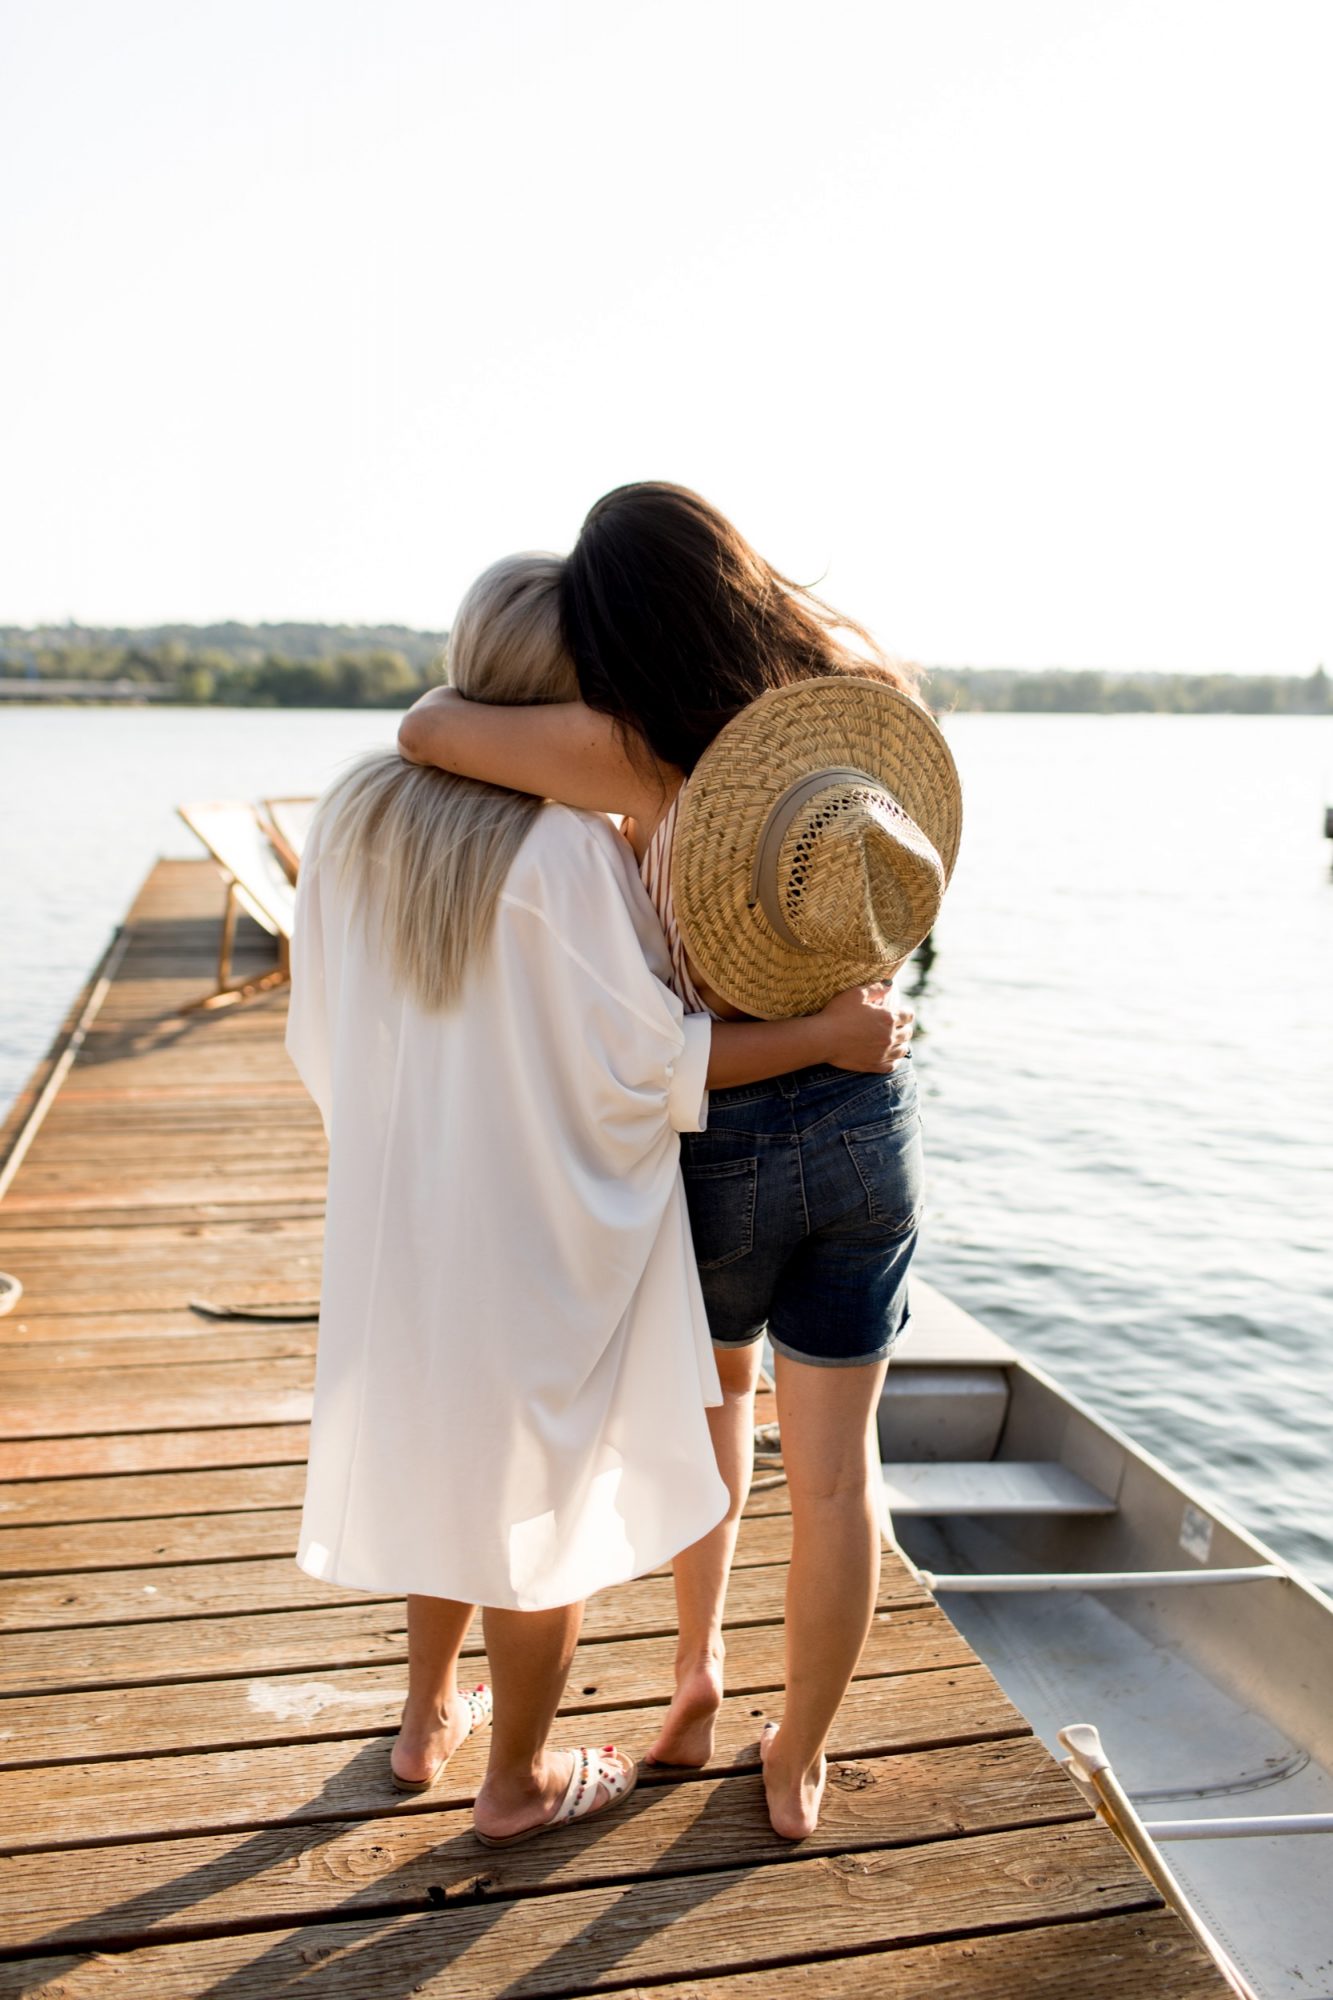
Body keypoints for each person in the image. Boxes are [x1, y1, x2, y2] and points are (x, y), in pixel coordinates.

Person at [288, 549, 916, 1847]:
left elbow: (320, 1024)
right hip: (538, 1227)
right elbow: (646, 1065)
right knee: (535, 1510)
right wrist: (826, 1038)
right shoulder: (565, 849)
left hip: (404, 1216)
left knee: (441, 1463)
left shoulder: (353, 810)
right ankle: (514, 1781)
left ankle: (422, 1724)